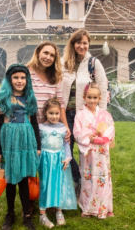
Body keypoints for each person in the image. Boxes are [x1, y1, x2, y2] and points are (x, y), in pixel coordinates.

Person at [0, 63, 41, 230]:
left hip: (26, 143)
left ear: (27, 79)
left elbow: (34, 124)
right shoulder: (2, 97)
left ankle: (27, 215)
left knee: (24, 180)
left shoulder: (30, 98)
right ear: (9, 79)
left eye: (22, 77)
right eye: (16, 77)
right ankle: (10, 213)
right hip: (9, 142)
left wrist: (38, 146)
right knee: (11, 180)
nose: (19, 81)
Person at [61, 29, 108, 196]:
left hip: (85, 116)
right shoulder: (64, 63)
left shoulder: (93, 64)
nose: (81, 46)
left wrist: (100, 118)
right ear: (73, 44)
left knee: (85, 151)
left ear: (88, 44)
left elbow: (102, 89)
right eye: (78, 42)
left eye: (85, 43)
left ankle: (87, 186)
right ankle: (76, 180)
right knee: (66, 149)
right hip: (64, 114)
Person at [73, 82, 115, 219]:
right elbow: (77, 132)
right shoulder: (80, 115)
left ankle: (104, 207)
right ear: (84, 97)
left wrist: (100, 139)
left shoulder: (105, 115)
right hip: (88, 152)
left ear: (99, 99)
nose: (92, 100)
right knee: (88, 177)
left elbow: (110, 131)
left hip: (101, 151)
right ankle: (88, 207)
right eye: (89, 97)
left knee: (102, 177)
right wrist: (87, 137)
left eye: (94, 98)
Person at [38, 98, 77, 228]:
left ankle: (59, 212)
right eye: (51, 113)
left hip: (59, 160)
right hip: (46, 161)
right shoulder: (41, 127)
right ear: (45, 113)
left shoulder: (62, 128)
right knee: (45, 185)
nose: (54, 117)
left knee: (58, 185)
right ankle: (42, 214)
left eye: (56, 113)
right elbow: (37, 145)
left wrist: (68, 157)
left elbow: (66, 144)